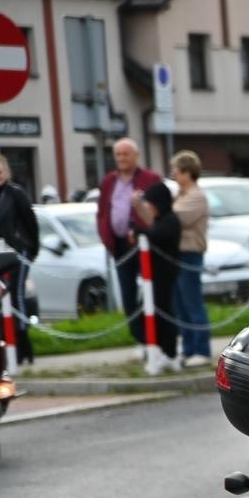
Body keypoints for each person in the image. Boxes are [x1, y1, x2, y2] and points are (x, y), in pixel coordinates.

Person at [95, 138, 162, 358]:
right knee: (128, 294)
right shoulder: (108, 182)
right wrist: (106, 235)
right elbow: (102, 211)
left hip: (144, 244)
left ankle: (157, 337)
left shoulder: (149, 179)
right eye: (118, 155)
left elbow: (159, 209)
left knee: (153, 291)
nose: (122, 159)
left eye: (126, 154)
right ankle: (139, 338)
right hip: (120, 245)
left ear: (136, 156)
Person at [0, 155, 40, 363]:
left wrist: (30, 248)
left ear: (6, 173)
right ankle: (7, 342)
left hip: (19, 250)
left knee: (17, 296)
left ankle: (23, 342)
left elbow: (30, 221)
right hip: (0, 253)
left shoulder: (15, 194)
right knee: (1, 298)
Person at [131, 180, 181, 371]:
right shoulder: (162, 220)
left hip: (164, 275)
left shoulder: (169, 221)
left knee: (163, 314)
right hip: (155, 276)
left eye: (151, 204)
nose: (149, 208)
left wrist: (138, 231)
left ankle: (170, 352)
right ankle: (161, 350)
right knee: (154, 313)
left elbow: (155, 235)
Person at [169, 150, 213, 367]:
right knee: (180, 304)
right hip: (177, 253)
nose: (173, 174)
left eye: (176, 170)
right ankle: (187, 348)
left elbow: (175, 219)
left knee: (192, 302)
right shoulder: (181, 194)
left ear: (187, 172)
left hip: (190, 253)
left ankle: (202, 349)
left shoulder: (196, 196)